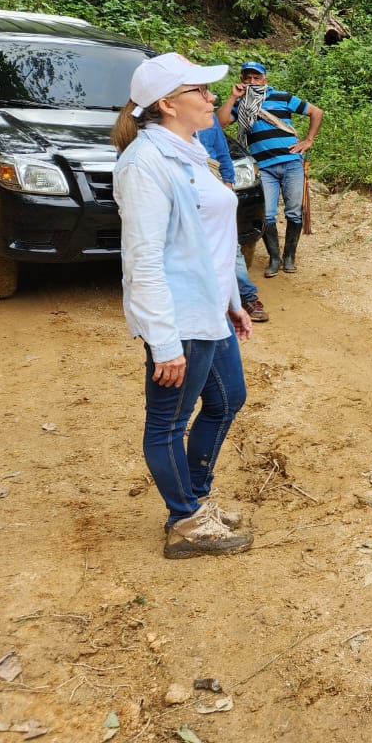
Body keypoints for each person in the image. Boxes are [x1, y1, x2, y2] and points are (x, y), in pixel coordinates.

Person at [111, 52, 255, 558]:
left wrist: (233, 300)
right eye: (201, 91)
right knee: (168, 422)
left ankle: (197, 499)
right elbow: (143, 260)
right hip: (180, 318)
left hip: (211, 310)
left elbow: (210, 240)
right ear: (168, 104)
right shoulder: (144, 164)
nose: (213, 98)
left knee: (226, 400)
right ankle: (185, 521)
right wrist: (163, 341)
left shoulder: (190, 151)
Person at [218, 61, 323, 278]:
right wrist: (232, 98)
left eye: (256, 77)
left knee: (294, 210)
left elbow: (316, 112)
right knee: (267, 214)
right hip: (264, 167)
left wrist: (308, 140)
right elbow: (220, 124)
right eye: (247, 77)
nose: (251, 81)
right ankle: (274, 258)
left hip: (292, 162)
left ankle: (289, 257)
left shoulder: (282, 97)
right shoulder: (241, 104)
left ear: (265, 79)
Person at [197, 123, 269, 323]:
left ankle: (247, 297)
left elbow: (222, 152)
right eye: (199, 91)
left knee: (230, 244)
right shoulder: (158, 120)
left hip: (213, 185)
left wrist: (227, 184)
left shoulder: (207, 118)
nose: (208, 97)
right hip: (182, 193)